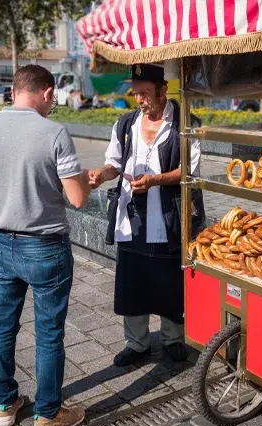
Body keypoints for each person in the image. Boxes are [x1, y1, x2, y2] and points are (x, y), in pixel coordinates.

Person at [0, 64, 91, 426]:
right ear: (47, 92)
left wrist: (5, 190)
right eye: (53, 100)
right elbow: (77, 198)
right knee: (48, 333)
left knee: (3, 325)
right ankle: (47, 415)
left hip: (1, 244)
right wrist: (82, 179)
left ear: (14, 90)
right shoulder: (54, 133)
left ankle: (5, 404)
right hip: (45, 247)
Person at [89, 63, 205, 367]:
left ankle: (172, 339)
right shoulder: (125, 124)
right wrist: (102, 174)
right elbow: (114, 162)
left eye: (145, 93)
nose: (139, 100)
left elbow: (190, 171)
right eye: (136, 93)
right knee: (133, 281)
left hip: (168, 215)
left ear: (163, 90)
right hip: (132, 215)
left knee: (170, 280)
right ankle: (137, 343)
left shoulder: (185, 123)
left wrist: (155, 180)